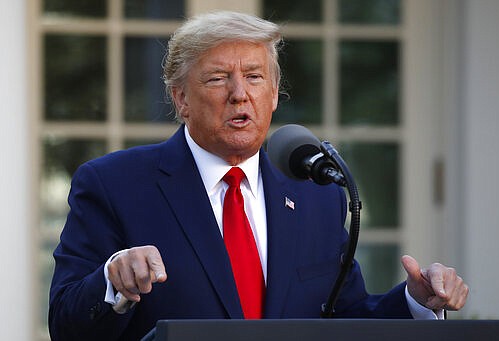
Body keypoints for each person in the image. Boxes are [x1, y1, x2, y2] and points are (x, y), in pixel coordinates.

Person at [48, 11, 468, 341]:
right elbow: (67, 326)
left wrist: (415, 301)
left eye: (254, 77)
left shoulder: (315, 194)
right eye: (217, 78)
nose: (239, 93)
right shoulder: (114, 184)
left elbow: (343, 318)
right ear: (181, 100)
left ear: (273, 95)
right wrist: (112, 283)